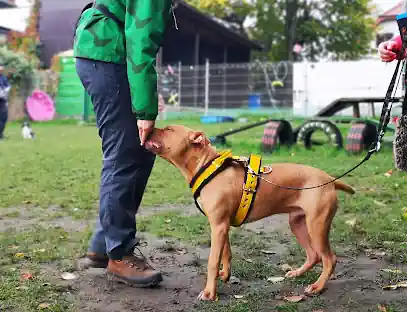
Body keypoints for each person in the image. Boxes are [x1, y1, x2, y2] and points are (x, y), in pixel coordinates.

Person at [73, 0, 174, 287]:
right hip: (107, 53)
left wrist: (148, 99)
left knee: (138, 151)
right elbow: (140, 39)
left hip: (103, 51)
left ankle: (104, 242)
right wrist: (144, 111)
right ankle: (120, 255)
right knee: (126, 153)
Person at [0, 65, 11, 140]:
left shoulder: (3, 77)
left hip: (3, 99)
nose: (1, 71)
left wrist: (6, 90)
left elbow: (8, 86)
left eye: (2, 69)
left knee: (4, 117)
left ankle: (0, 134)